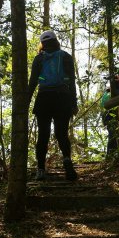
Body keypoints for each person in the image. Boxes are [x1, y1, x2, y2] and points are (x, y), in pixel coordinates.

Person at [28, 30, 78, 181]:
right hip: (63, 98)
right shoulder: (66, 57)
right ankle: (67, 161)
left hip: (44, 98)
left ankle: (41, 169)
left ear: (42, 44)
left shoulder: (39, 59)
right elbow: (72, 82)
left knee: (43, 134)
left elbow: (32, 82)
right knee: (61, 133)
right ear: (56, 41)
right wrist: (73, 103)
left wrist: (26, 102)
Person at [100, 75, 119, 157]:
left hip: (108, 115)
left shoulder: (109, 91)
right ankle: (110, 154)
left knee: (113, 134)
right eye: (118, 80)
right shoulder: (111, 92)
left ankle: (112, 154)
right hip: (109, 114)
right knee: (112, 134)